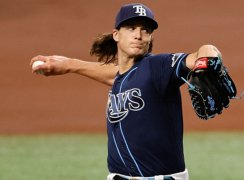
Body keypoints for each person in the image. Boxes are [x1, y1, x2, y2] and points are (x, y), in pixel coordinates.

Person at [30, 3, 222, 180]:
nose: (138, 35)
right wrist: (68, 65)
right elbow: (113, 73)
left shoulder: (158, 67)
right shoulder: (123, 77)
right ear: (116, 34)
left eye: (145, 30)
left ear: (150, 37)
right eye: (131, 28)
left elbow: (205, 51)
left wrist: (207, 59)